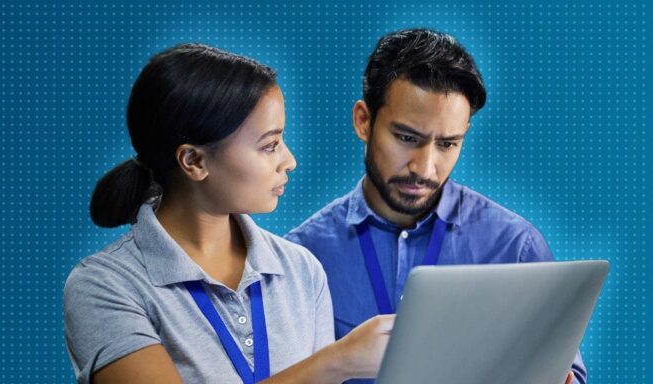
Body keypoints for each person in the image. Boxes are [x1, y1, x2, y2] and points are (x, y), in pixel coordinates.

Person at [63, 43, 392, 384]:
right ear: (194, 161)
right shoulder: (105, 285)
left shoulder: (301, 270)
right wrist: (335, 362)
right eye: (269, 145)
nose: (289, 161)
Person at [284, 28, 586, 384]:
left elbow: (566, 373)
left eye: (447, 144)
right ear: (363, 121)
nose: (425, 169)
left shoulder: (515, 247)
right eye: (407, 138)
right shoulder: (300, 257)